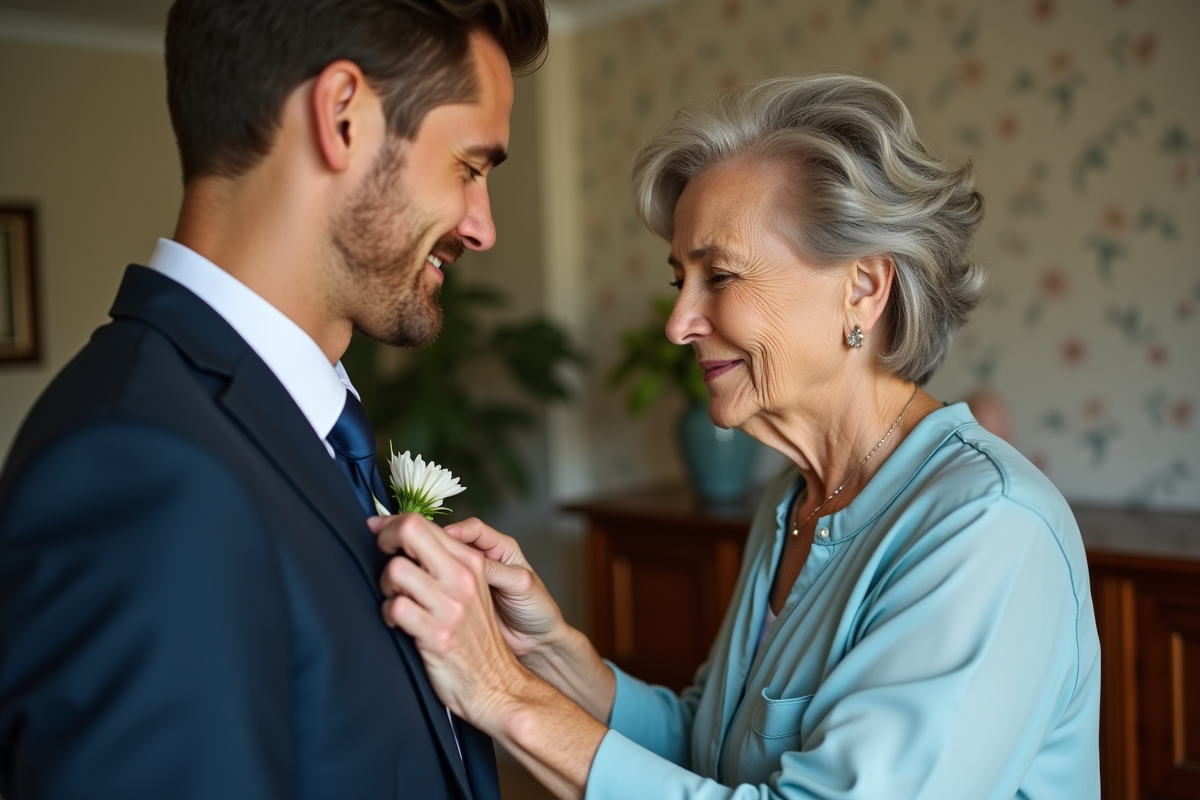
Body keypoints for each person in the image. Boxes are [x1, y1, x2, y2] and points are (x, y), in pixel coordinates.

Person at [370, 74, 1102, 799]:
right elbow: (712, 746)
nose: (678, 322)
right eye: (678, 282)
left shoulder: (987, 528)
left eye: (719, 276)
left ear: (865, 287)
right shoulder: (795, 501)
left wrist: (503, 697)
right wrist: (545, 651)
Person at [0, 1, 546, 798]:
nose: (482, 226)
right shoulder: (142, 470)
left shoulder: (297, 429)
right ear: (342, 116)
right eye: (470, 167)